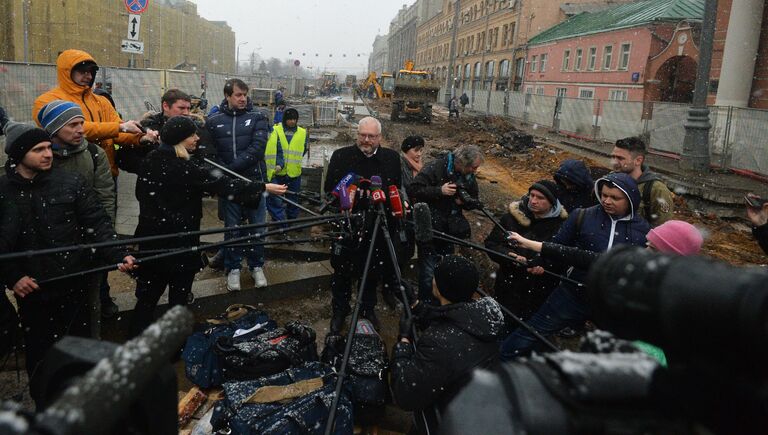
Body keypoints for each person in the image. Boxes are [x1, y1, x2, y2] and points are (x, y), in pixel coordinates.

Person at [0, 122, 135, 394]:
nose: (48, 154)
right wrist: (13, 277)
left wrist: (119, 254)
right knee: (41, 357)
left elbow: (97, 224)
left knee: (80, 351)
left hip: (74, 283)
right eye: (38, 149)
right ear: (18, 154)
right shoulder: (3, 191)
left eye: (49, 147)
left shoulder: (71, 182)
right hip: (33, 291)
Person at [131, 117, 286, 335]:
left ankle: (137, 339)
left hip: (151, 243)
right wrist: (262, 187)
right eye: (192, 135)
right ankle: (175, 344)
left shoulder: (151, 159)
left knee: (146, 299)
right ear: (179, 140)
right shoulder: (184, 168)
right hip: (180, 245)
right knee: (178, 300)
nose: (197, 138)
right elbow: (223, 185)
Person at [499, 172, 650, 359]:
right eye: (603, 195)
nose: (607, 201)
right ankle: (503, 360)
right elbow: (559, 245)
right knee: (530, 333)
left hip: (612, 302)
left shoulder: (643, 231)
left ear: (630, 199)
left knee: (620, 350)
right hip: (572, 293)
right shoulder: (583, 216)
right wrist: (540, 261)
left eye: (615, 198)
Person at [390, 255, 505, 435]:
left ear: (438, 287)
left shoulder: (438, 344)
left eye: (435, 277)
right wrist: (415, 305)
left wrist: (404, 342)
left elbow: (405, 395)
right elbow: (454, 319)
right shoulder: (484, 317)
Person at [37, 100, 117, 332]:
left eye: (81, 123)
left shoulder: (93, 153)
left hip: (87, 243)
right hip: (49, 248)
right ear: (54, 129)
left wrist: (105, 238)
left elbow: (105, 198)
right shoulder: (40, 156)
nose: (80, 129)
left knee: (89, 307)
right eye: (72, 125)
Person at [324, 116, 404, 333]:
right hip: (347, 223)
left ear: (380, 137)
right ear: (356, 134)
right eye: (363, 135)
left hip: (378, 225)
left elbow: (395, 188)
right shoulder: (341, 156)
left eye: (372, 136)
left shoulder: (392, 158)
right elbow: (329, 189)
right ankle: (340, 310)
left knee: (372, 270)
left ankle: (367, 309)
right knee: (341, 271)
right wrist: (349, 193)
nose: (367, 140)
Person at [32, 49, 158, 178]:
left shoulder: (102, 101)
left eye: (91, 72)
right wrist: (120, 127)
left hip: (106, 172)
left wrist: (140, 138)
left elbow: (118, 133)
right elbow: (77, 129)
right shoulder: (47, 101)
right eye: (83, 71)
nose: (89, 76)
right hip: (69, 174)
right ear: (67, 72)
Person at [206, 79, 271, 291]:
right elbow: (210, 153)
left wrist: (230, 168)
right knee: (232, 229)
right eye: (238, 95)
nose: (243, 99)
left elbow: (257, 148)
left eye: (245, 94)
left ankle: (256, 266)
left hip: (254, 183)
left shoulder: (258, 117)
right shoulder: (214, 120)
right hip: (229, 186)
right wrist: (224, 175)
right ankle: (233, 268)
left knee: (257, 228)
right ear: (227, 96)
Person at [409, 144, 483, 305]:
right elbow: (414, 189)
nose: (474, 171)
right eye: (473, 167)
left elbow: (473, 198)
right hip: (430, 229)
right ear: (461, 163)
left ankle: (442, 304)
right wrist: (439, 191)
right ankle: (425, 305)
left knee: (445, 269)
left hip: (450, 231)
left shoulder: (468, 176)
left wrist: (464, 202)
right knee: (428, 269)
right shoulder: (435, 167)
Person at [484, 180, 568, 322]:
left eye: (540, 198)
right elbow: (492, 243)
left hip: (539, 290)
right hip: (508, 283)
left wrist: (545, 265)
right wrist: (508, 255)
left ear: (552, 202)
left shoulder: (562, 227)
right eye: (532, 195)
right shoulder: (512, 218)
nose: (533, 201)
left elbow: (564, 256)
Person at [611, 136, 674, 227]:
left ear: (638, 160)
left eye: (620, 158)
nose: (614, 162)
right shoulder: (609, 180)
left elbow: (662, 228)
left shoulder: (656, 190)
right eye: (613, 157)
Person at [140, 89, 215, 160]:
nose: (186, 113)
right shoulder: (149, 128)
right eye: (181, 108)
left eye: (188, 108)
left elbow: (208, 155)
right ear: (165, 106)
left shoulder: (197, 127)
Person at [265, 108, 309, 225]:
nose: (292, 122)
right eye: (290, 119)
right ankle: (279, 222)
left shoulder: (302, 132)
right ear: (285, 119)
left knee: (293, 200)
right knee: (275, 200)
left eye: (294, 119)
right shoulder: (275, 130)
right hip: (278, 173)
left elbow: (304, 149)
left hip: (294, 173)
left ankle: (291, 221)